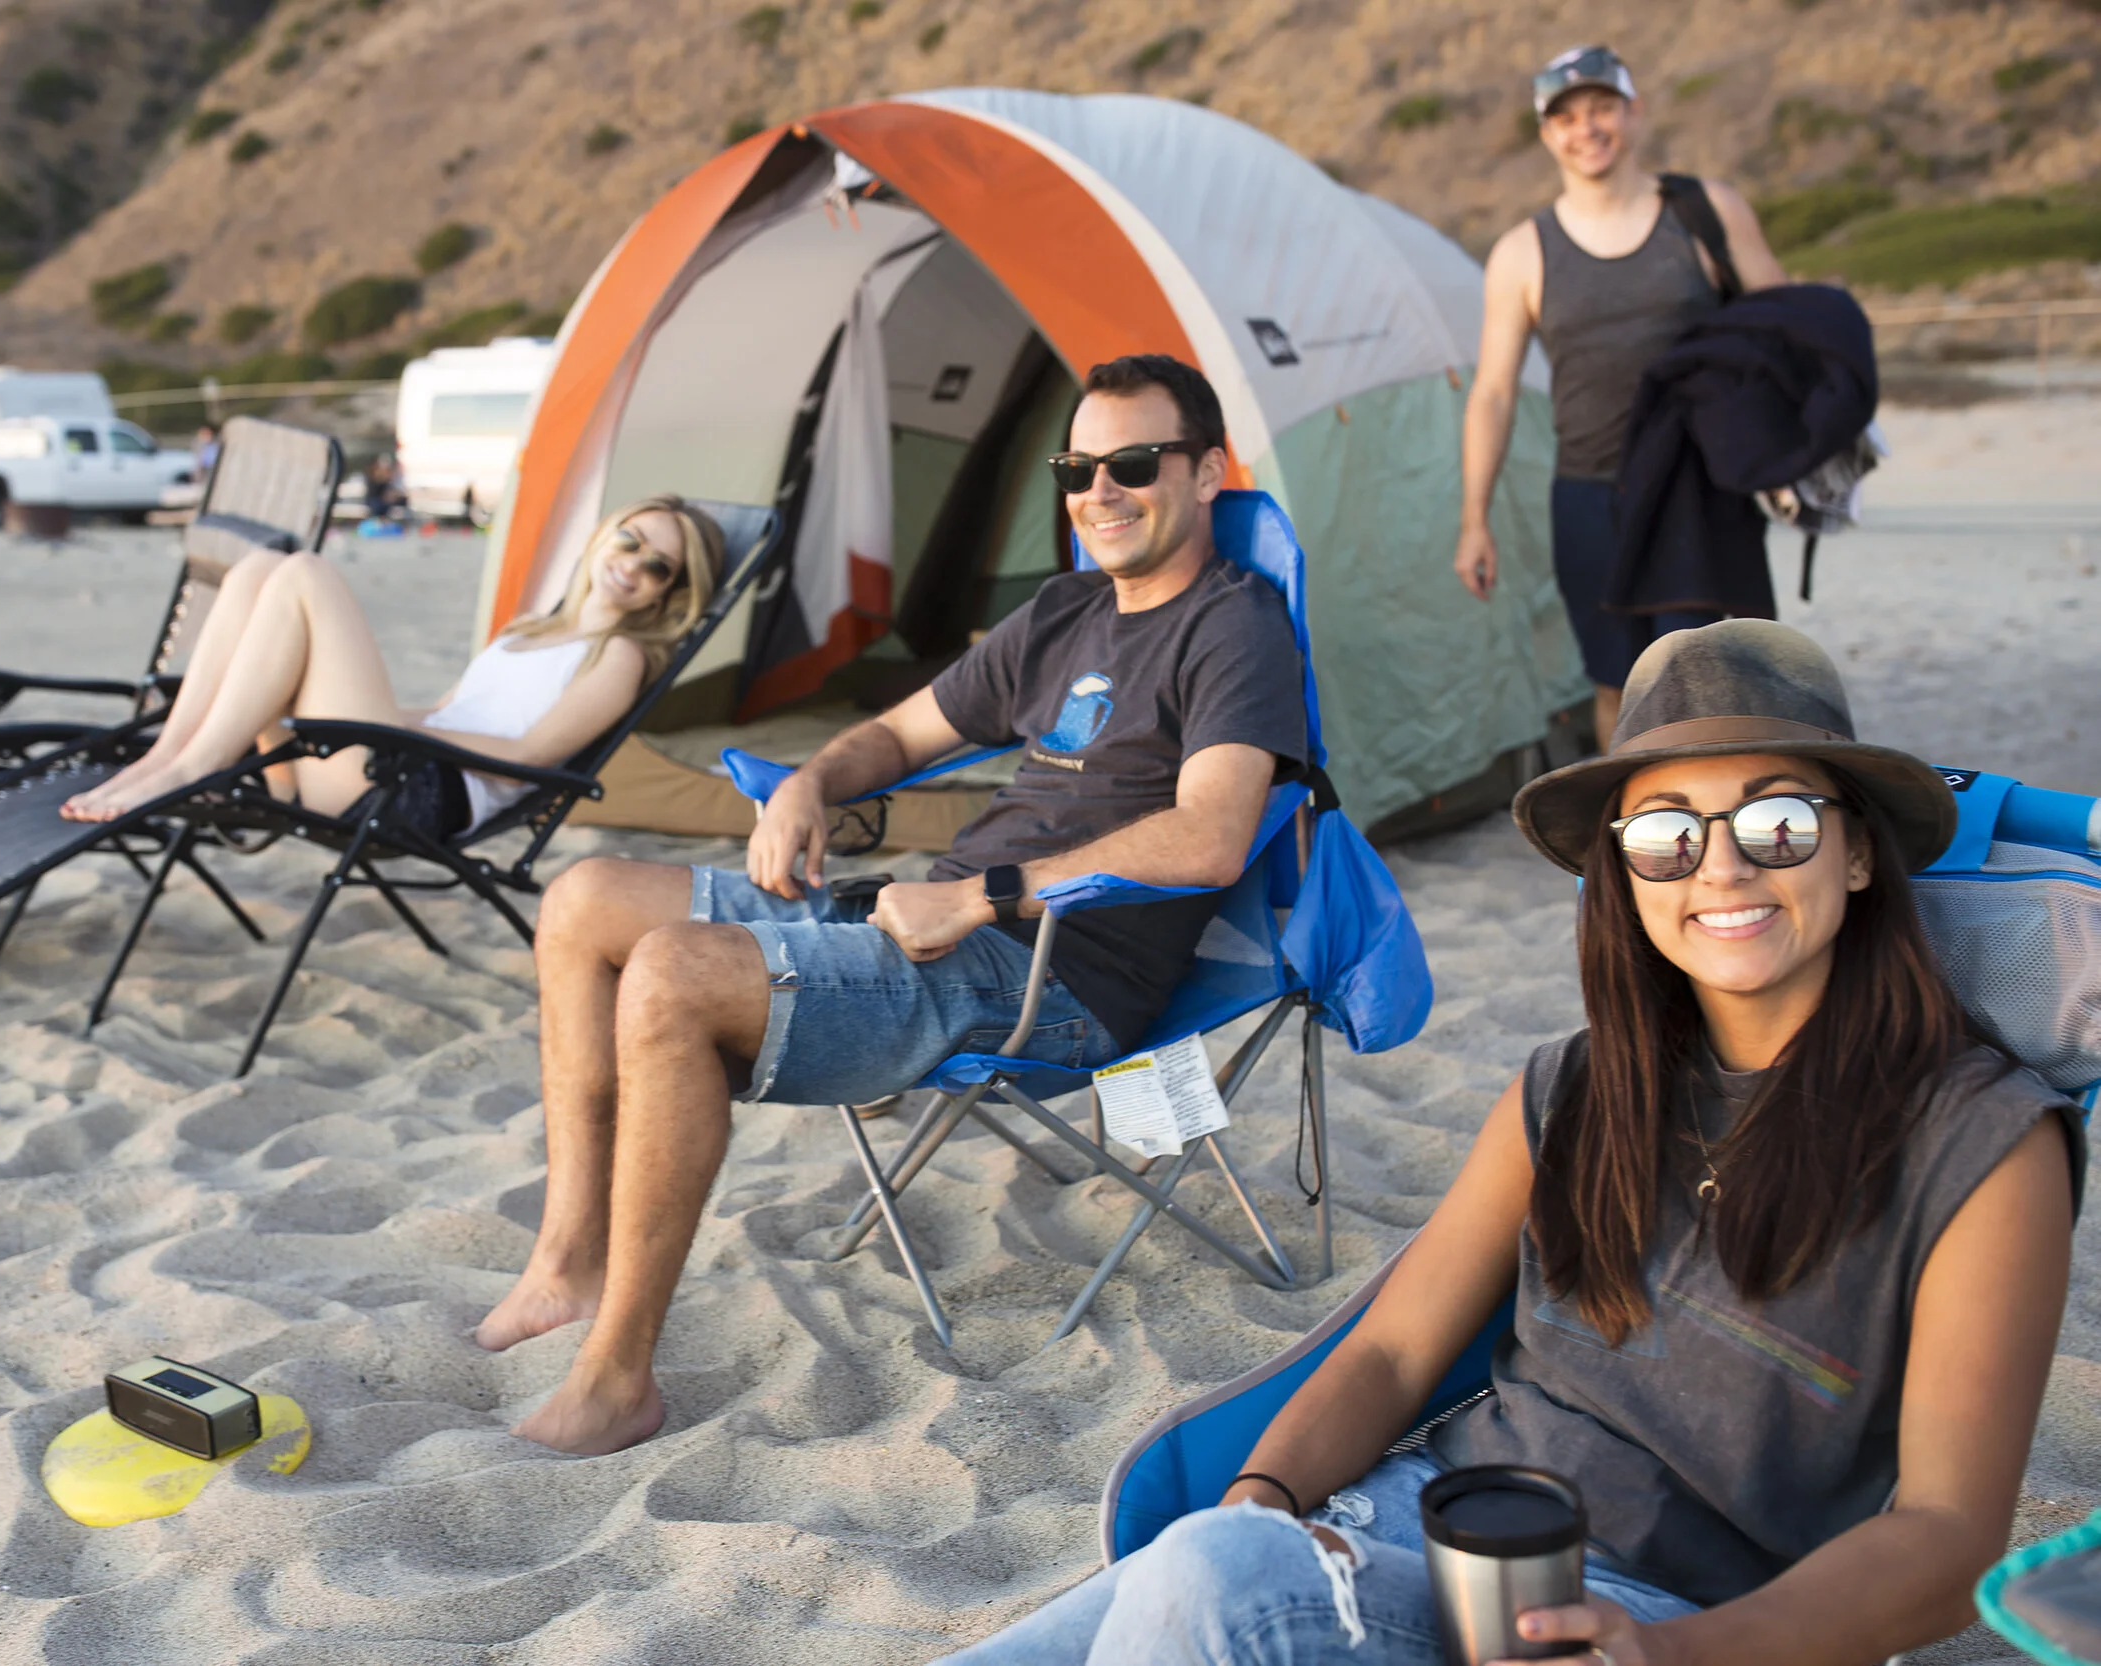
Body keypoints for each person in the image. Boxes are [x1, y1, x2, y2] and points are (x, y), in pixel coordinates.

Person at [946, 619, 2082, 1666]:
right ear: (1625, 876)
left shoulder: (1980, 1145)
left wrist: (1672, 1656)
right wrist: (1262, 1497)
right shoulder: (1576, 1085)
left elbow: (1948, 1537)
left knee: (1208, 1577)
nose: (1722, 867)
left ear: (1857, 853)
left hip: (1663, 1619)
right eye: (1664, 834)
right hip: (1391, 1528)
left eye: (1777, 821)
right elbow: (1393, 1350)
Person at [475, 354, 1310, 1456]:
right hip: (926, 918)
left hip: (1052, 972)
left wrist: (978, 896)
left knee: (675, 970)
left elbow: (1209, 836)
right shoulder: (1063, 610)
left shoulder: (1232, 626)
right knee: (582, 898)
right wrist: (812, 783)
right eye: (1077, 467)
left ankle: (618, 1376)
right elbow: (903, 735)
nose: (1098, 492)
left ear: (1207, 474)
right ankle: (566, 1264)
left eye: (1133, 464)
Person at [1454, 45, 1789, 751]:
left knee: (1712, 675)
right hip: (1589, 496)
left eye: (1603, 108)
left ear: (1634, 112)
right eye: (1567, 117)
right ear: (1548, 134)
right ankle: (1635, 840)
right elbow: (1491, 393)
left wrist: (1790, 453)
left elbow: (1787, 329)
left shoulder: (1706, 212)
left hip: (1701, 492)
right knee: (1620, 683)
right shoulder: (1522, 252)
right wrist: (1474, 518)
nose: (1588, 128)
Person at [57, 495, 719, 829]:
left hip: (418, 794)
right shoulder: (530, 627)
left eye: (656, 564)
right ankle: (167, 759)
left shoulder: (622, 657)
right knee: (262, 566)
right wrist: (373, 720)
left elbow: (530, 757)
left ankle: (193, 765)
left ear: (670, 590)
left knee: (306, 572)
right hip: (385, 759)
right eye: (628, 539)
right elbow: (441, 711)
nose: (631, 565)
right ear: (605, 534)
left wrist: (399, 733)